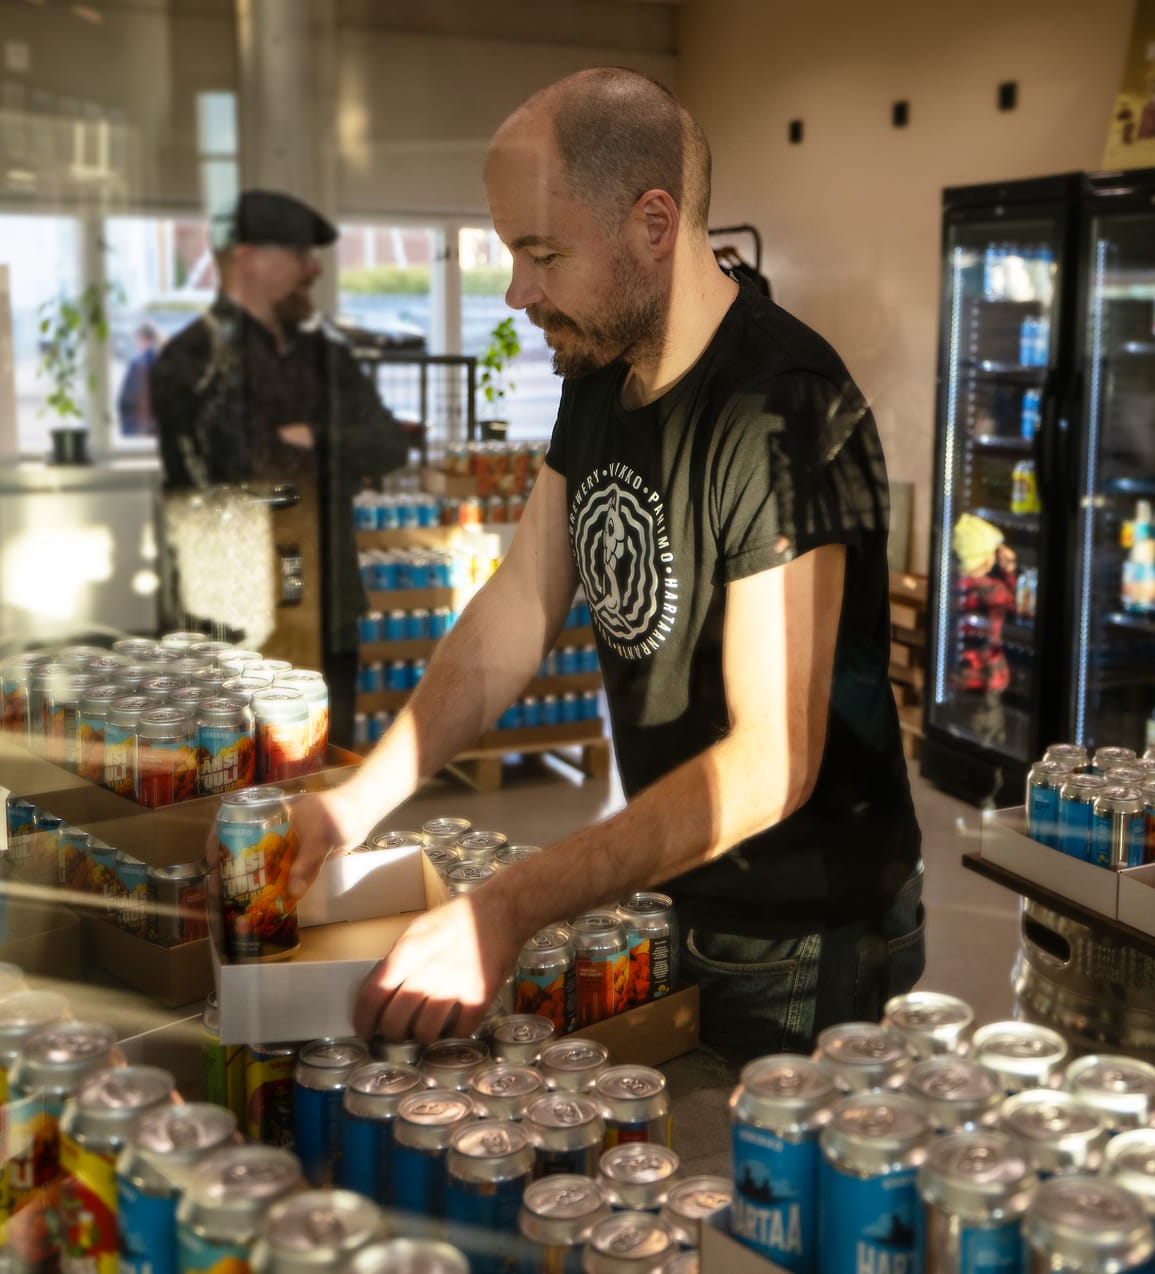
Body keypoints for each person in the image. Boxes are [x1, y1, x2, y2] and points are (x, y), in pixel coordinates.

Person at [281, 69, 922, 1066]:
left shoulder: (780, 408)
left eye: (542, 253)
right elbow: (516, 610)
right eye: (510, 254)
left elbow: (769, 764)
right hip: (674, 889)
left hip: (802, 934)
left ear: (654, 225)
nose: (518, 291)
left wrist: (510, 904)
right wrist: (354, 799)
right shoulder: (600, 373)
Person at [150, 191, 409, 742]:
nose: (314, 269)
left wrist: (313, 438)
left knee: (328, 761)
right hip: (237, 612)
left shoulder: (325, 358)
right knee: (240, 768)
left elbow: (389, 445)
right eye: (299, 253)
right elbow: (226, 479)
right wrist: (332, 454)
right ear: (247, 258)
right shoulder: (191, 362)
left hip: (328, 596)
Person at [951, 513, 1015, 747]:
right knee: (989, 732)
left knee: (962, 725)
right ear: (987, 559)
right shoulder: (993, 589)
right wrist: (1010, 570)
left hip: (959, 675)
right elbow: (1018, 605)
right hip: (988, 676)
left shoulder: (954, 585)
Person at [117, 322, 160, 438]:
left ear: (142, 339)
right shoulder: (163, 362)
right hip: (157, 427)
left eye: (137, 338)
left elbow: (126, 400)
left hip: (138, 427)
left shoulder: (137, 365)